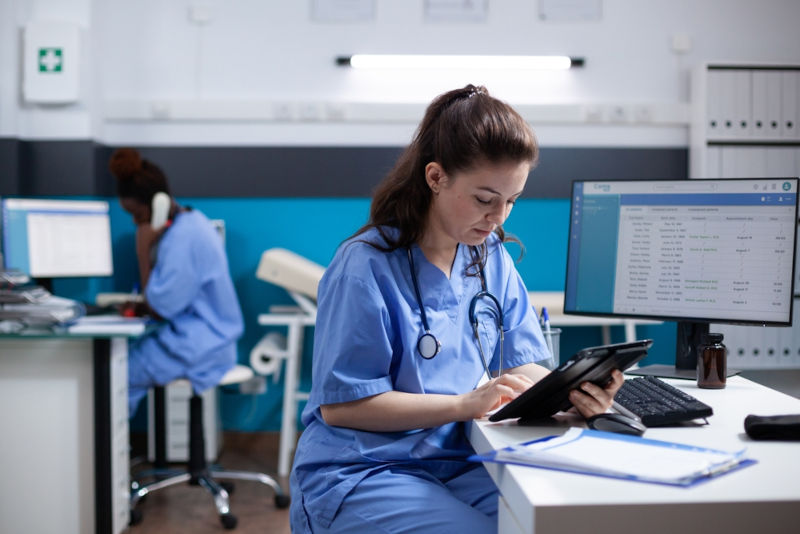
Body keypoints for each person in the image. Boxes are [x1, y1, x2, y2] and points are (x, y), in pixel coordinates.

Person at [289, 84, 624, 533]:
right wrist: (465, 403)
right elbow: (344, 409)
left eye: (511, 201)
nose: (498, 217)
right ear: (435, 177)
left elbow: (521, 366)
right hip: (365, 470)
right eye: (485, 199)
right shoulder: (365, 266)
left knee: (559, 519)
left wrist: (573, 394)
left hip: (459, 460)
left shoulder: (491, 259)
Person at [108, 148, 244, 416]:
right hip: (201, 338)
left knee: (114, 375)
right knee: (121, 365)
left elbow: (161, 308)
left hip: (204, 345)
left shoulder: (183, 239)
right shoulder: (190, 223)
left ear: (158, 204)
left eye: (137, 215)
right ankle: (116, 453)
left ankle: (104, 455)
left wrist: (143, 251)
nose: (136, 223)